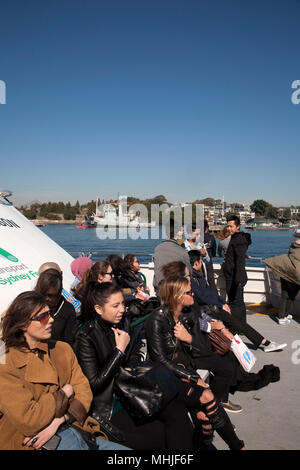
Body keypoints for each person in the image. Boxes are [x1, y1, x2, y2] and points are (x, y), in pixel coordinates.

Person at [0, 291, 129, 451]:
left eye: (50, 313)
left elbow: (84, 392)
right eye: (43, 317)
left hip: (75, 427)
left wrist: (58, 421)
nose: (52, 319)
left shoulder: (62, 349)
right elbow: (30, 419)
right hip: (35, 443)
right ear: (23, 324)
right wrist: (66, 392)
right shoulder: (5, 362)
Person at [74, 281, 195, 450]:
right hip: (110, 406)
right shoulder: (86, 336)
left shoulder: (123, 323)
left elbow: (135, 352)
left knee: (178, 413)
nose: (122, 309)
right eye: (115, 306)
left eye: (123, 304)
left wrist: (128, 364)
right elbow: (94, 384)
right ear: (98, 309)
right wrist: (119, 352)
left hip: (131, 390)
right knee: (159, 436)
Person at [145, 275, 246, 450]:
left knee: (206, 417)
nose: (193, 294)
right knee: (207, 397)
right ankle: (237, 447)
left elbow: (204, 350)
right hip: (166, 377)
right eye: (189, 292)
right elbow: (160, 360)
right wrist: (191, 377)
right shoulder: (156, 320)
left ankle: (232, 445)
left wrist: (189, 338)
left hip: (186, 372)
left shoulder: (188, 314)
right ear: (177, 296)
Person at [187, 251, 287, 353]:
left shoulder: (198, 277)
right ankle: (265, 343)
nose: (201, 262)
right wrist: (221, 305)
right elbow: (202, 298)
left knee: (236, 323)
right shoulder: (191, 279)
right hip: (207, 309)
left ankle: (230, 340)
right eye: (201, 260)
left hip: (213, 306)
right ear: (196, 263)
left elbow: (210, 292)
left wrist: (223, 302)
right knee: (238, 323)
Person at [264, 228, 300, 325]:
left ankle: (281, 316)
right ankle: (285, 315)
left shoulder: (294, 244)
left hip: (284, 270)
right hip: (295, 274)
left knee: (284, 294)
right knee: (291, 296)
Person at [35, 268, 77, 347]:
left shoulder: (67, 309)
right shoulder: (32, 304)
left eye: (51, 295)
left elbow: (69, 341)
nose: (46, 298)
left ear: (59, 292)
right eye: (43, 294)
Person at [153, 218, 192, 295]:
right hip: (176, 292)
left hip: (160, 290)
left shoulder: (157, 249)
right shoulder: (182, 252)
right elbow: (190, 272)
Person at [203, 220, 217, 291]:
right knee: (211, 282)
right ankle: (216, 300)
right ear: (207, 228)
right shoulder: (211, 238)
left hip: (199, 264)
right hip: (208, 263)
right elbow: (214, 250)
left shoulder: (196, 238)